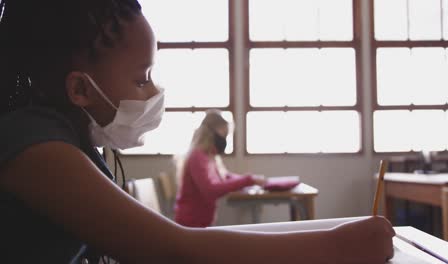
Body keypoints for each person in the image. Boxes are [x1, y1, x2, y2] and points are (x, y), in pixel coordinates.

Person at [0, 0, 395, 263]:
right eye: (143, 79)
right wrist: (337, 246)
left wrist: (330, 229)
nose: (153, 92)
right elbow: (173, 250)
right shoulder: (33, 146)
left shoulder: (69, 139)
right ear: (81, 89)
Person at [174, 110, 265, 227]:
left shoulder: (210, 156)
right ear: (210, 133)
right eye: (223, 135)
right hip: (190, 224)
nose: (224, 139)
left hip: (202, 223)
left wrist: (251, 180)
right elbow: (210, 190)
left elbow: (225, 176)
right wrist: (247, 180)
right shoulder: (197, 156)